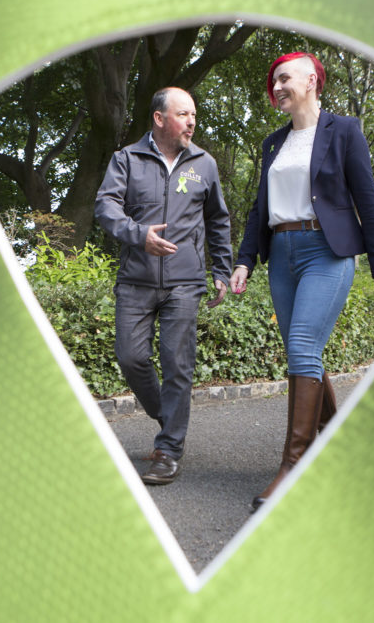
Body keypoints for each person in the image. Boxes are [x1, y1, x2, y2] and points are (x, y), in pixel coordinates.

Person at [229, 52, 374, 511]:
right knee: (304, 353)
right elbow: (258, 208)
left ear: (311, 80)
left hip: (327, 251)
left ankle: (294, 466)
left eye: (284, 77)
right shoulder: (272, 144)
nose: (277, 85)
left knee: (303, 345)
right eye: (274, 80)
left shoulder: (343, 131)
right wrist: (245, 260)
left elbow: (368, 199)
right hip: (282, 253)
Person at [95, 87, 232, 485]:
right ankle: (168, 414)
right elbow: (106, 206)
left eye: (194, 115)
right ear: (159, 118)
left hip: (184, 282)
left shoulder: (204, 164)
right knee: (130, 358)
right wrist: (139, 235)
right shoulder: (127, 159)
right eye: (183, 114)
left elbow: (218, 221)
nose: (192, 121)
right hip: (136, 280)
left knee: (177, 364)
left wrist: (220, 270)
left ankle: (168, 449)